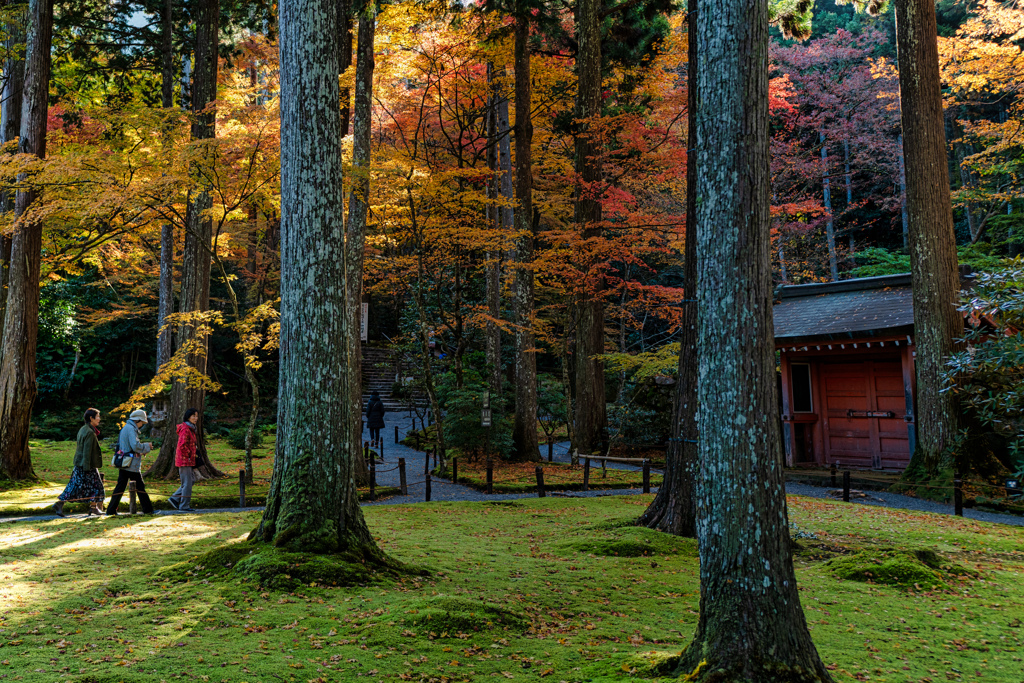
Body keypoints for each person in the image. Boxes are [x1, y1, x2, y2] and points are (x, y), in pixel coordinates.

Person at [53, 409, 106, 517]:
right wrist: (87, 468)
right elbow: (87, 452)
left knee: (80, 486)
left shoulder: (83, 429)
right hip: (86, 465)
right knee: (92, 487)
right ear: (91, 418)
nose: (99, 419)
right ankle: (60, 504)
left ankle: (93, 507)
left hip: (80, 464)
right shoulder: (90, 433)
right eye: (98, 416)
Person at [105, 409, 155, 516]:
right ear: (137, 420)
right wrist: (147, 446)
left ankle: (111, 510)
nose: (142, 425)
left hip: (124, 462)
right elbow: (135, 446)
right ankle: (148, 510)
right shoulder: (131, 429)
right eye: (142, 422)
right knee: (140, 487)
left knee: (120, 487)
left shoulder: (125, 428)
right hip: (131, 464)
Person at [168, 408, 199, 512]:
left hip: (188, 460)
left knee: (191, 481)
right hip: (185, 460)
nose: (196, 418)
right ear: (188, 417)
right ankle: (184, 506)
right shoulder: (186, 429)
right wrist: (189, 455)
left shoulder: (191, 428)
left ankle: (175, 498)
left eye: (197, 416)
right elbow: (182, 445)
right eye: (193, 416)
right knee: (187, 483)